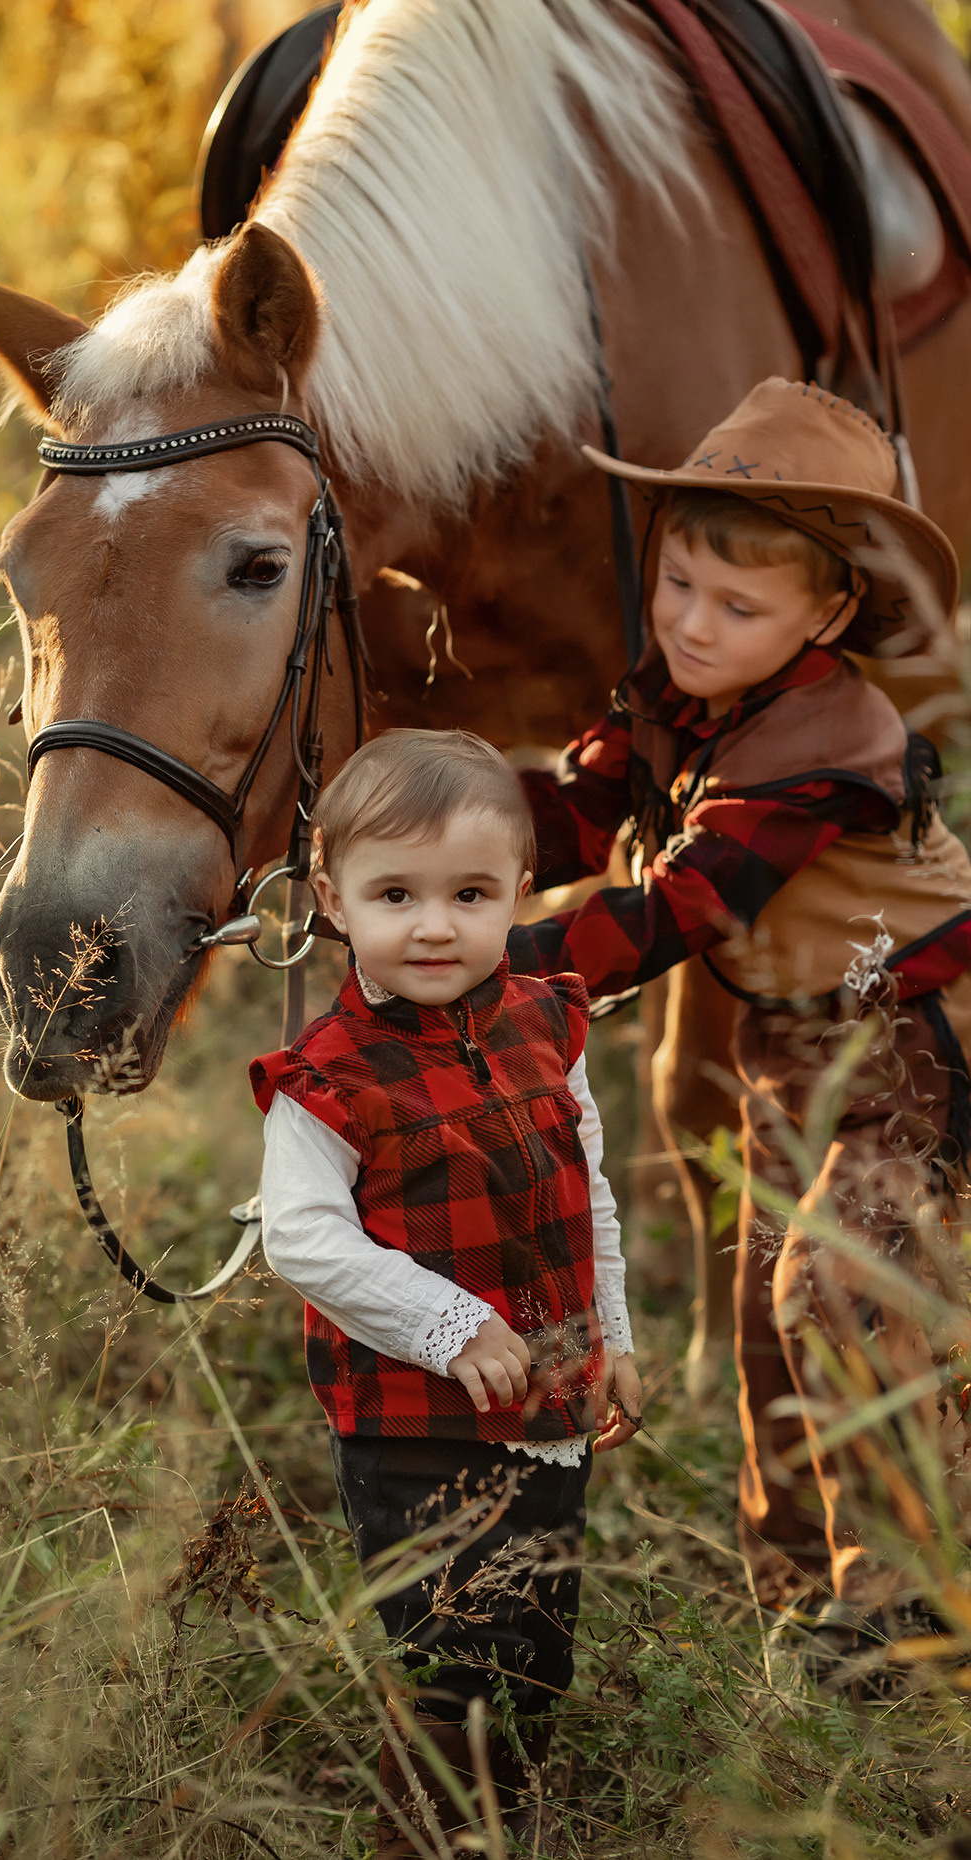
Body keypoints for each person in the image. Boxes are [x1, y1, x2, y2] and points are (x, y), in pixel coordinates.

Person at [508, 378, 971, 1653]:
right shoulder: (678, 689)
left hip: (913, 1036)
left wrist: (488, 960)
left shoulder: (831, 743)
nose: (692, 627)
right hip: (792, 1040)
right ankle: (800, 1577)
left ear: (825, 614)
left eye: (737, 606)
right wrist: (423, 856)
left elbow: (676, 911)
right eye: (676, 587)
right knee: (770, 1272)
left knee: (840, 1280)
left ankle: (911, 1605)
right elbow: (574, 819)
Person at [250, 728, 641, 1854]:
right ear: (331, 899)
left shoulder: (543, 1021)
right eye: (395, 894)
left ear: (521, 891)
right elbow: (304, 1240)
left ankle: (498, 1827)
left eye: (469, 893)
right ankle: (420, 1837)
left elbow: (588, 1194)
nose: (433, 925)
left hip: (551, 1402)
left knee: (533, 1654)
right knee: (453, 1662)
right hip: (415, 1425)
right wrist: (448, 1321)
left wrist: (611, 1332)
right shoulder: (324, 1078)